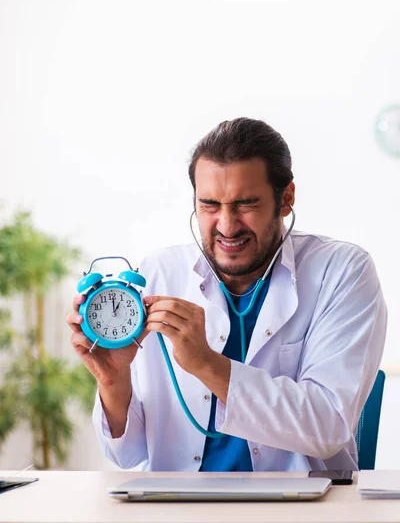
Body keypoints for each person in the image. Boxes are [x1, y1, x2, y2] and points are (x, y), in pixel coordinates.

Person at [67, 117, 387, 472]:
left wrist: (207, 364)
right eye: (209, 205)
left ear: (286, 199)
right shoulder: (157, 273)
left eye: (245, 204)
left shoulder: (341, 271)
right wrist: (113, 381)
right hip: (177, 505)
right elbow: (127, 456)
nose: (227, 225)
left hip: (301, 505)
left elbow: (328, 427)